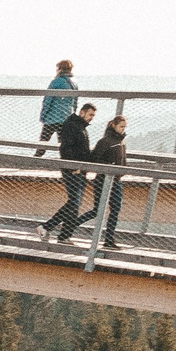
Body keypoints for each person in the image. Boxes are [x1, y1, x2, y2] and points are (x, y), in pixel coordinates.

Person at [39, 103, 98, 242]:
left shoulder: (80, 126)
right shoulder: (72, 125)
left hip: (79, 170)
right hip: (73, 170)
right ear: (82, 112)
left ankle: (64, 235)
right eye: (90, 114)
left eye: (93, 115)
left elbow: (81, 150)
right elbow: (65, 148)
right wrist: (73, 167)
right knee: (74, 203)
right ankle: (47, 227)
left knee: (75, 204)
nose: (92, 118)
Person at [71, 115, 130, 247]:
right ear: (114, 125)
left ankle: (109, 240)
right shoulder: (105, 141)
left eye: (124, 127)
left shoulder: (122, 141)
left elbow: (123, 158)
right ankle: (70, 226)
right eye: (121, 126)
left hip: (116, 180)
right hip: (103, 180)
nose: (123, 129)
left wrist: (123, 169)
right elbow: (94, 159)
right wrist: (109, 166)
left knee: (115, 209)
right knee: (97, 210)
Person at [39, 60, 79, 142]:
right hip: (66, 118)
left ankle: (39, 151)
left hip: (51, 118)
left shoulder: (56, 82)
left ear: (60, 69)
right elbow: (75, 102)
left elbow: (48, 100)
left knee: (43, 142)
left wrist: (43, 115)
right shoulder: (74, 83)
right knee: (63, 144)